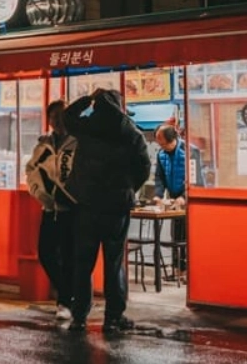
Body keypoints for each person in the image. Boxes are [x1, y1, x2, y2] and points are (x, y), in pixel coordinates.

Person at [63, 88, 150, 334]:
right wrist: (128, 188)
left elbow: (67, 117)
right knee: (113, 263)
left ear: (97, 105)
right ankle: (113, 317)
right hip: (116, 208)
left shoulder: (87, 127)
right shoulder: (130, 132)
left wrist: (86, 99)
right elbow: (144, 166)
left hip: (87, 206)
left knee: (83, 262)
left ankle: (79, 316)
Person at [25, 100, 78, 321]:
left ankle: (65, 301)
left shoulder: (77, 143)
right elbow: (30, 171)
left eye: (61, 116)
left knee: (68, 257)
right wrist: (39, 192)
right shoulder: (43, 146)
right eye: (54, 117)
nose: (57, 121)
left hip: (72, 210)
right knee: (46, 253)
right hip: (49, 209)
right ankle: (68, 295)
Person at [152, 123, 203, 277]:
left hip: (190, 200)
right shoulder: (161, 154)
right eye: (159, 144)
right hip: (174, 200)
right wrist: (158, 196)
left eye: (164, 144)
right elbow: (159, 177)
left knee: (190, 238)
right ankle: (178, 269)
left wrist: (184, 197)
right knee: (176, 236)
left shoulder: (190, 151)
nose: (162, 147)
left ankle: (191, 272)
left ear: (174, 139)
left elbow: (196, 179)